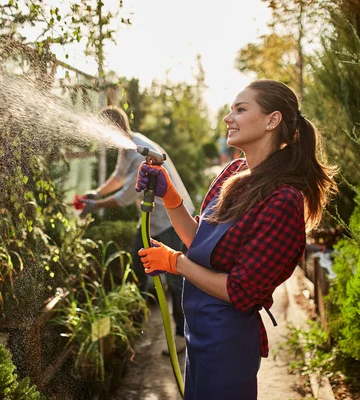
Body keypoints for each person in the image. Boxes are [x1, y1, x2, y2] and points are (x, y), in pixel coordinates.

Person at [136, 79, 338, 399]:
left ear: (272, 120)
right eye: (230, 110)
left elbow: (240, 290)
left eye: (240, 110)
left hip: (228, 343)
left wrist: (175, 263)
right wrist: (169, 195)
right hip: (199, 333)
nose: (228, 118)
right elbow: (199, 242)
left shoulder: (283, 200)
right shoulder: (233, 173)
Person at [80, 105, 195, 355]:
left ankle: (181, 336)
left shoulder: (140, 152)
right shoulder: (127, 146)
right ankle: (135, 325)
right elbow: (119, 177)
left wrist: (94, 205)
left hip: (172, 220)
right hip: (151, 222)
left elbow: (126, 194)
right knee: (137, 265)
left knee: (175, 279)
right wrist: (97, 193)